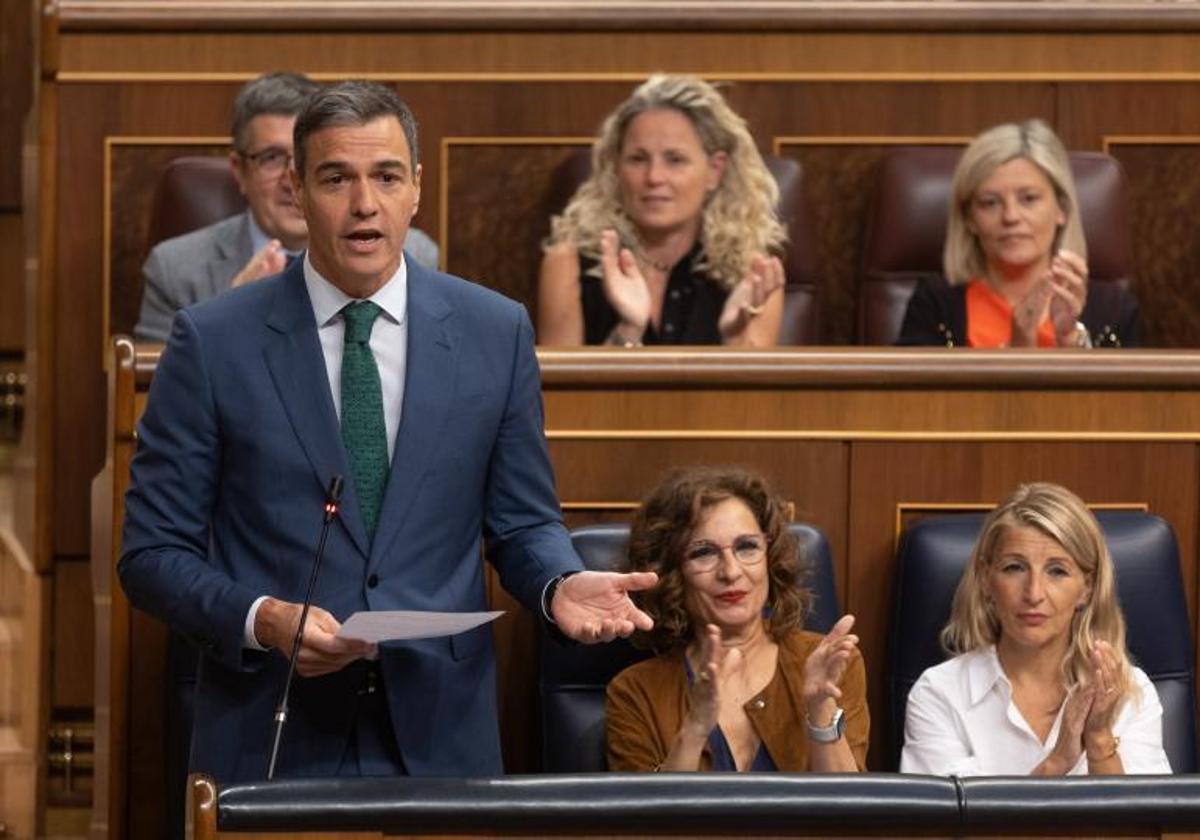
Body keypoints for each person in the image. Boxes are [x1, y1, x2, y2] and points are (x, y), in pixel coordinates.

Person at [119, 80, 658, 783]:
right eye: (336, 178)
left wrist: (558, 584)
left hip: (441, 737)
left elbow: (522, 524)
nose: (364, 203)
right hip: (271, 734)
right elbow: (152, 554)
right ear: (298, 188)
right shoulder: (214, 341)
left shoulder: (495, 332)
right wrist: (265, 617)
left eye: (386, 176)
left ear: (417, 190)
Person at [134, 71, 440, 343]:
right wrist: (233, 312)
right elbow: (153, 389)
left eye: (303, 160)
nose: (286, 178)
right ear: (239, 170)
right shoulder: (175, 269)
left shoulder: (413, 253)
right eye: (271, 157)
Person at [605, 467, 868, 771]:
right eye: (703, 553)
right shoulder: (635, 691)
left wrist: (820, 707)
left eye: (747, 547)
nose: (730, 572)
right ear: (672, 574)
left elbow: (848, 811)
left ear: (770, 557)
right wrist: (695, 728)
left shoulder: (831, 663)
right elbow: (649, 816)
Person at [901, 482, 1171, 776]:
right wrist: (1056, 764)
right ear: (986, 579)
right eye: (1014, 568)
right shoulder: (939, 693)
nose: (1033, 593)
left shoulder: (1131, 691)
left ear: (1087, 589)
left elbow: (1142, 821)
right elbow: (947, 823)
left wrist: (1099, 741)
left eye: (1057, 571)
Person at [538, 74, 787, 347]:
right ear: (617, 169)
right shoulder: (568, 264)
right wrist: (628, 331)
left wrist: (735, 341)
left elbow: (755, 390)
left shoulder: (752, 274)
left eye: (675, 160)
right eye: (638, 159)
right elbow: (559, 388)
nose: (654, 177)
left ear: (715, 171)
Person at [896, 119, 1138, 348]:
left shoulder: (1113, 309)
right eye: (990, 203)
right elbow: (912, 393)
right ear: (970, 219)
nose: (1010, 216)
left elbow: (1133, 392)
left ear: (1061, 210)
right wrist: (1018, 349)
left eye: (1029, 199)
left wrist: (1070, 343)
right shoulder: (935, 306)